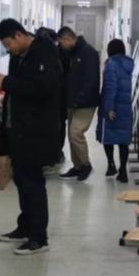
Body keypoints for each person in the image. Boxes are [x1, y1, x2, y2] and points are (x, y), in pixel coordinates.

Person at [0, 19, 61, 255]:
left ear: (19, 35)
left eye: (8, 43)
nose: (8, 49)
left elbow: (42, 88)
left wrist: (7, 82)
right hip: (18, 130)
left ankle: (39, 238)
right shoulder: (18, 55)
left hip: (36, 131)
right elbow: (20, 85)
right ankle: (25, 227)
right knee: (21, 180)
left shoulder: (45, 51)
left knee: (33, 183)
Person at [57, 26, 100, 181]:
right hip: (72, 102)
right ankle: (77, 166)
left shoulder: (89, 52)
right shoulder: (72, 53)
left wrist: (79, 99)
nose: (61, 46)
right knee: (71, 135)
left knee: (76, 133)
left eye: (61, 42)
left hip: (85, 102)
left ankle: (86, 165)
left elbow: (92, 80)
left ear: (68, 39)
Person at [96, 39, 135, 182]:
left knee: (108, 136)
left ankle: (111, 164)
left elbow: (110, 87)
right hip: (125, 106)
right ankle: (123, 170)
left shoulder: (111, 65)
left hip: (113, 107)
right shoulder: (128, 64)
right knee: (123, 139)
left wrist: (109, 108)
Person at [35, 26, 68, 172]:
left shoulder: (61, 54)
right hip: (47, 101)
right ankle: (48, 156)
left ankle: (56, 153)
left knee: (58, 127)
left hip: (59, 99)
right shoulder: (36, 55)